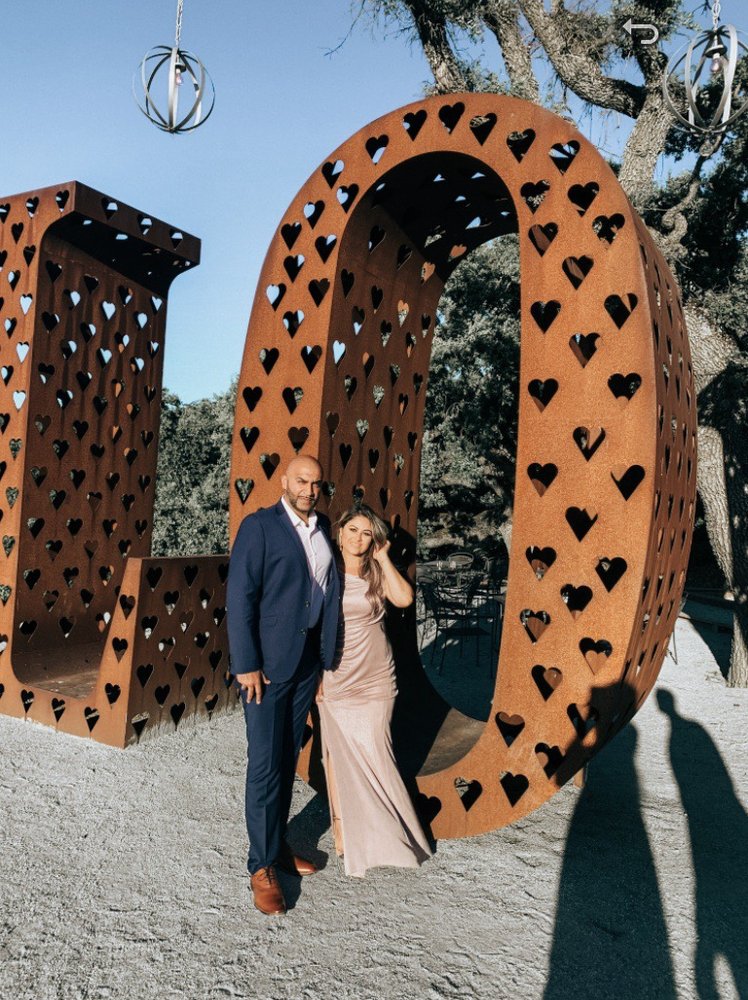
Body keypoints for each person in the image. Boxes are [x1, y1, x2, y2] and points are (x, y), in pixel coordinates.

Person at [227, 454, 340, 916]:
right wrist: (247, 664)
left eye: (316, 483)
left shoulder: (323, 527)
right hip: (266, 670)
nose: (309, 490)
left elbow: (326, 593)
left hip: (305, 665)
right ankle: (261, 866)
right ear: (284, 481)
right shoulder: (259, 527)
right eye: (302, 481)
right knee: (264, 765)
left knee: (287, 759)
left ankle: (276, 848)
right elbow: (240, 597)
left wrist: (324, 663)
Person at [318, 504, 432, 877]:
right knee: (339, 758)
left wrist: (383, 558)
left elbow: (404, 599)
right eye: (353, 530)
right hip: (336, 676)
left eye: (367, 533)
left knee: (378, 753)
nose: (358, 538)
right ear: (340, 532)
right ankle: (346, 834)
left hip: (375, 678)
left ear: (374, 540)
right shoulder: (323, 571)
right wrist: (315, 676)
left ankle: (397, 836)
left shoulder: (376, 572)